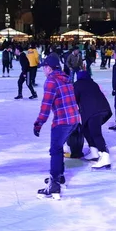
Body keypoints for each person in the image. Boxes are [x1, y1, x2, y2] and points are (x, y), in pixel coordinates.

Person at [33, 54, 80, 199]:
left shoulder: (51, 81)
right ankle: (59, 177)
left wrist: (39, 123)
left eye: (44, 67)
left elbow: (46, 106)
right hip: (74, 119)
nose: (43, 70)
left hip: (63, 120)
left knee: (55, 150)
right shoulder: (65, 78)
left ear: (49, 68)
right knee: (58, 148)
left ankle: (54, 185)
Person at [73, 70, 113, 170]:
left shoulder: (77, 84)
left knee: (96, 133)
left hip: (93, 112)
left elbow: (74, 99)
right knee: (85, 129)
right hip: (103, 109)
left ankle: (105, 157)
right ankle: (94, 152)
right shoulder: (93, 83)